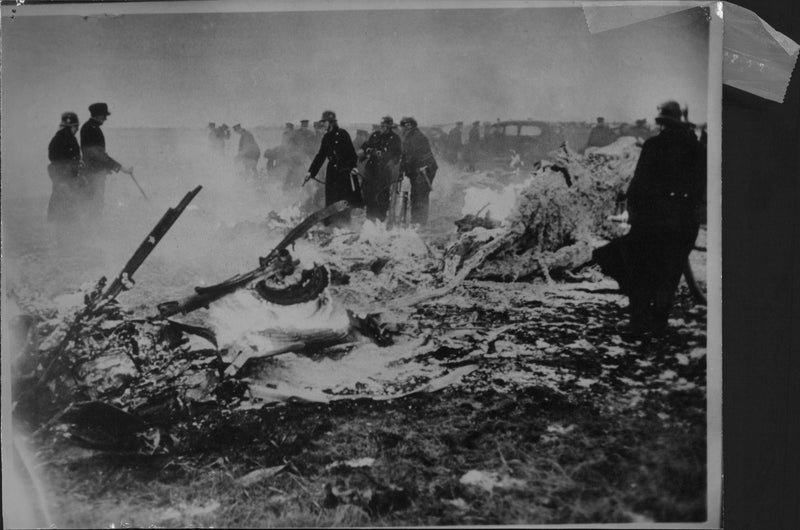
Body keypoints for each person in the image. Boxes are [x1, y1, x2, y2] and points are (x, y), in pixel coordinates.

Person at [600, 100, 706, 336]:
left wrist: (636, 219)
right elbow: (702, 188)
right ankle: (659, 324)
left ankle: (638, 323)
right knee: (670, 273)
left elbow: (637, 187)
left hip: (654, 222)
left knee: (640, 270)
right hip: (684, 223)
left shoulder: (654, 145)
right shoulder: (697, 148)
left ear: (662, 123)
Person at [304, 110, 362, 227]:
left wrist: (352, 167)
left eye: (324, 122)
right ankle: (331, 224)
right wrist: (310, 172)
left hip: (344, 171)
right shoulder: (326, 137)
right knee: (331, 198)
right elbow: (320, 156)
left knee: (344, 199)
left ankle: (344, 224)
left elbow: (352, 154)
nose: (323, 124)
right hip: (332, 172)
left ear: (330, 122)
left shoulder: (343, 134)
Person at [80, 102, 132, 222]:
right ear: (97, 115)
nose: (105, 118)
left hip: (93, 172)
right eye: (104, 115)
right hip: (94, 173)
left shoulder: (90, 127)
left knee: (94, 202)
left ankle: (93, 229)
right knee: (95, 203)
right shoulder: (91, 129)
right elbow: (98, 154)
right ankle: (94, 231)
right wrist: (120, 168)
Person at [47, 112, 84, 244]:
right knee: (68, 212)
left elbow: (53, 161)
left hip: (60, 181)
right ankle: (68, 243)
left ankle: (63, 241)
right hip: (67, 182)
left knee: (61, 213)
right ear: (73, 126)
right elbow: (73, 161)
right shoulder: (69, 139)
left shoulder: (56, 139)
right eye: (77, 127)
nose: (77, 130)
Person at [359, 116, 402, 222]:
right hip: (371, 169)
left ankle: (381, 220)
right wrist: (367, 150)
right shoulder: (375, 135)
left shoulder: (395, 138)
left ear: (390, 127)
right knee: (369, 194)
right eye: (382, 126)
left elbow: (397, 156)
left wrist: (384, 156)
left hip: (383, 171)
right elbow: (365, 146)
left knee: (382, 196)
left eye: (385, 126)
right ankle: (370, 219)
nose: (382, 128)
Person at [399, 116, 438, 225]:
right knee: (416, 195)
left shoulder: (416, 136)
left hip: (424, 170)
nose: (404, 128)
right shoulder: (408, 136)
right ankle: (416, 221)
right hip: (417, 170)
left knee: (420, 196)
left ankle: (419, 223)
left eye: (406, 126)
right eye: (403, 126)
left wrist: (402, 167)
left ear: (411, 126)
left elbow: (412, 156)